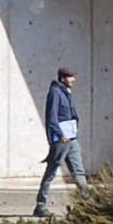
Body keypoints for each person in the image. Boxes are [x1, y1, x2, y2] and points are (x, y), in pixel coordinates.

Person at [33, 66, 87, 215]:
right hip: (62, 140)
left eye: (73, 76)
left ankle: (88, 205)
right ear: (62, 78)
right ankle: (40, 205)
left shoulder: (66, 93)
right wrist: (59, 134)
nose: (73, 79)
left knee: (78, 171)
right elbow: (51, 118)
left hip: (72, 138)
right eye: (70, 77)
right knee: (51, 172)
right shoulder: (55, 93)